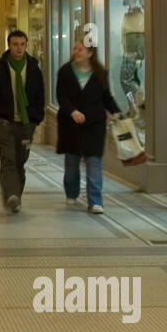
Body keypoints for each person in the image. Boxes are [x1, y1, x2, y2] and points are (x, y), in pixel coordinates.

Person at [0, 29, 45, 214]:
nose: (19, 48)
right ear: (9, 45)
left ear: (26, 45)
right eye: (15, 44)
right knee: (8, 160)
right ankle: (11, 196)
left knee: (20, 162)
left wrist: (35, 119)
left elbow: (40, 94)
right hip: (6, 123)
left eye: (22, 44)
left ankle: (16, 195)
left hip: (26, 124)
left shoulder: (33, 67)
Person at [56, 40, 121, 214]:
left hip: (94, 124)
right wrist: (72, 111)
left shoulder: (100, 73)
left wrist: (115, 111)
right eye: (75, 48)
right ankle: (71, 192)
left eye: (81, 49)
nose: (76, 51)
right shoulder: (65, 71)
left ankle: (95, 201)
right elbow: (61, 96)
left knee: (94, 162)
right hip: (71, 124)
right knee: (72, 163)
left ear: (90, 53)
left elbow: (106, 96)